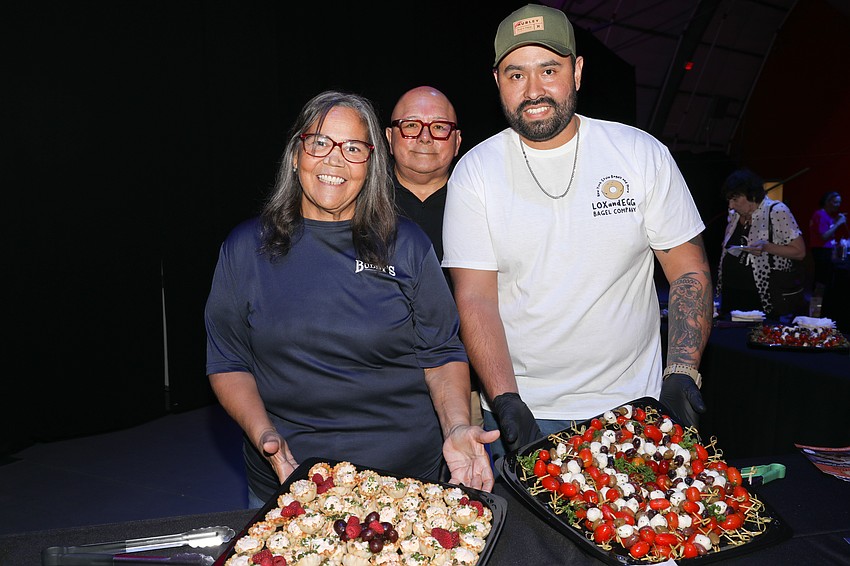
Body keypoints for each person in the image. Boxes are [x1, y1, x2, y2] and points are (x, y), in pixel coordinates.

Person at [441, 4, 712, 464]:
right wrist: (505, 399)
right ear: (497, 81)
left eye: (549, 70)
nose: (533, 90)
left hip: (634, 407)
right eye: (516, 74)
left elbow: (688, 268)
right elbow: (475, 298)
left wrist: (683, 372)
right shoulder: (475, 171)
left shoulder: (640, 154)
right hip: (524, 412)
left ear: (578, 71)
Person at [204, 90, 498, 507]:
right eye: (320, 142)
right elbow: (229, 361)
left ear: (371, 163)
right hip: (290, 480)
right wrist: (263, 433)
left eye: (354, 148)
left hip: (405, 485)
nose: (335, 160)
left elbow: (441, 351)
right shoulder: (245, 248)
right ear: (296, 154)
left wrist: (455, 426)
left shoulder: (406, 244)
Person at [385, 85, 485, 428]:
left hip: (469, 391)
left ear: (457, 142)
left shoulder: (484, 203)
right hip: (382, 391)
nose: (425, 137)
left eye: (439, 127)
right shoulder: (358, 205)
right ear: (390, 137)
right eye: (411, 125)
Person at [716, 168, 806, 318]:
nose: (731, 206)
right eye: (729, 200)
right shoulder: (734, 215)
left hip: (761, 295)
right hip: (731, 291)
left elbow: (799, 252)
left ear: (751, 195)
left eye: (735, 199)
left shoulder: (777, 211)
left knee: (757, 330)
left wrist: (766, 247)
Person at [809, 190, 848, 287]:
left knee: (826, 278)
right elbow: (824, 236)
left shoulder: (827, 216)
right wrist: (838, 223)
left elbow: (827, 229)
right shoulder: (820, 214)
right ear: (827, 201)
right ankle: (817, 297)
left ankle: (823, 297)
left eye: (839, 202)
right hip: (821, 251)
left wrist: (835, 221)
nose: (838, 205)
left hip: (827, 251)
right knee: (822, 279)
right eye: (835, 202)